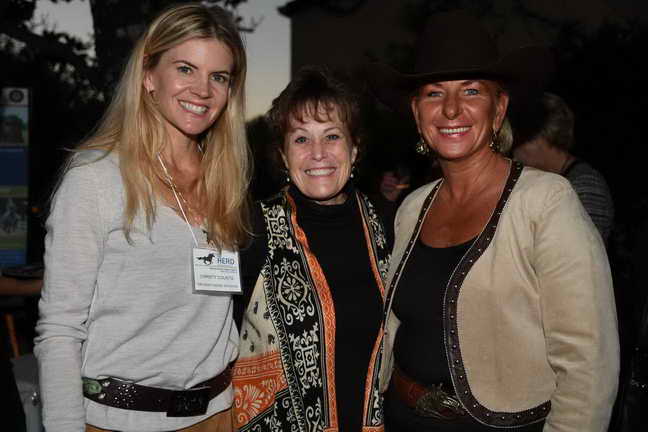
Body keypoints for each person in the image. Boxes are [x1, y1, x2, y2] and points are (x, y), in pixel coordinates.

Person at [370, 10, 619, 432]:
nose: (451, 109)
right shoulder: (412, 208)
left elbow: (588, 364)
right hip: (401, 418)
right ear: (416, 112)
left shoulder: (546, 202)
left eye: (471, 90)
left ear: (498, 107)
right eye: (434, 93)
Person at [34, 4, 250, 431]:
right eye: (185, 69)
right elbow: (59, 329)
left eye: (219, 77)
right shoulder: (95, 179)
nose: (203, 90)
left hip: (218, 416)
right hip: (121, 421)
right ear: (149, 75)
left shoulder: (224, 179)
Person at [232, 66, 391, 431]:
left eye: (332, 136)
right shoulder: (251, 229)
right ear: (283, 155)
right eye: (301, 139)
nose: (318, 153)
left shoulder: (387, 225)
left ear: (354, 148)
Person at [512, 92, 614, 243]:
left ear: (540, 139)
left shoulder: (586, 185)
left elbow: (578, 249)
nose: (514, 154)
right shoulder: (554, 181)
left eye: (518, 143)